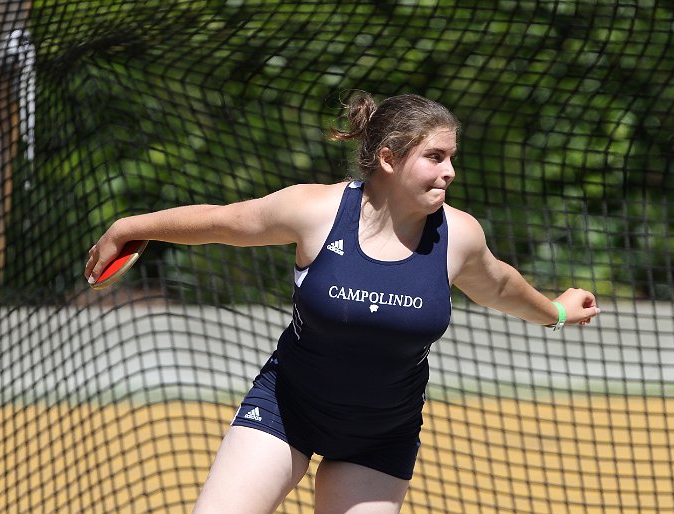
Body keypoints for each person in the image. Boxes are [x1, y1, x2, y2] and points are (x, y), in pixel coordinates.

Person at [85, 92, 601, 514]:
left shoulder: (459, 236)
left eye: (451, 159)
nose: (449, 172)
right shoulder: (315, 210)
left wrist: (555, 311)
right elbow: (224, 222)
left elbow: (500, 285)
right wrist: (130, 227)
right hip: (287, 408)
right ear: (389, 158)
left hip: (381, 434)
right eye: (435, 157)